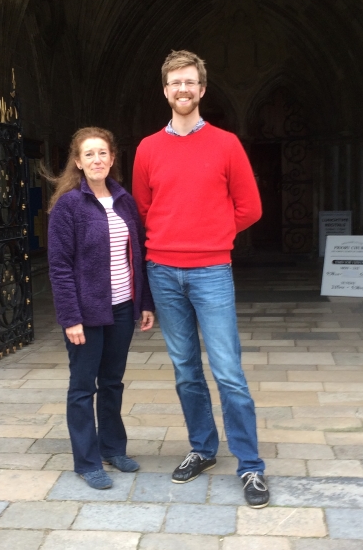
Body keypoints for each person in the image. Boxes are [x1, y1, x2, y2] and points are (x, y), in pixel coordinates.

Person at [132, 50, 269, 508]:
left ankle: (250, 466)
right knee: (186, 369)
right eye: (175, 83)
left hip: (212, 270)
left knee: (228, 371)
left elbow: (250, 207)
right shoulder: (148, 148)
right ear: (165, 89)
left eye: (190, 82)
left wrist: (212, 234)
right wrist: (171, 238)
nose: (183, 90)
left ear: (202, 89)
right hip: (164, 271)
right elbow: (144, 209)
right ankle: (203, 449)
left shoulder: (227, 144)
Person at [47, 127, 155, 490]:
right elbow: (60, 266)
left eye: (103, 153)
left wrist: (144, 302)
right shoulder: (68, 206)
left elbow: (138, 255)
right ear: (78, 162)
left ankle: (112, 448)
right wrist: (70, 317)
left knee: (112, 382)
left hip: (123, 308)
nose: (97, 160)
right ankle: (87, 462)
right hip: (86, 314)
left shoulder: (124, 201)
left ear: (112, 158)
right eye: (89, 154)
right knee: (82, 387)